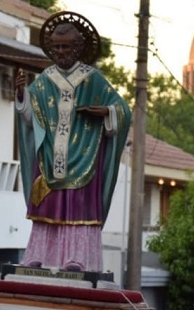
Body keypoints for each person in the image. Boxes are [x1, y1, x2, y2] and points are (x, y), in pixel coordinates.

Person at [15, 11, 132, 272]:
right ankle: (39, 255)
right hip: (50, 156)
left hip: (84, 155)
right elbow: (29, 117)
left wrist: (104, 112)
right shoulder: (45, 80)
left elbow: (123, 110)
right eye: (55, 47)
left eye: (65, 46)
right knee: (47, 204)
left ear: (77, 48)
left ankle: (77, 258)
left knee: (78, 207)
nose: (60, 52)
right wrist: (22, 96)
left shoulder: (94, 79)